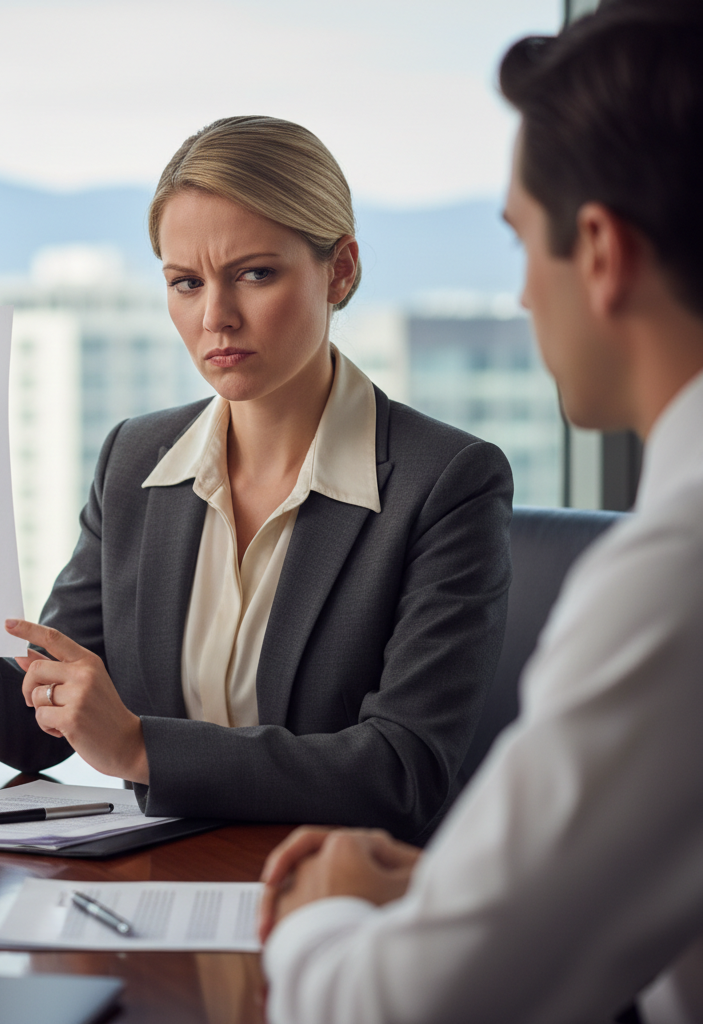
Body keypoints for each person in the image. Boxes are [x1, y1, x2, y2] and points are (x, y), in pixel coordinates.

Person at [0, 116, 513, 835]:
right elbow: (39, 716)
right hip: (156, 888)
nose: (216, 317)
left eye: (254, 274)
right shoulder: (136, 459)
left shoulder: (446, 482)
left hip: (334, 906)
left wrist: (138, 747)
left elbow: (403, 771)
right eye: (185, 282)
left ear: (341, 269)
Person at [258, 2, 703, 1021]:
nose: (519, 299)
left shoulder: (674, 578)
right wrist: (445, 901)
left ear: (598, 251)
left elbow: (395, 1010)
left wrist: (323, 911)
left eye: (520, 244)